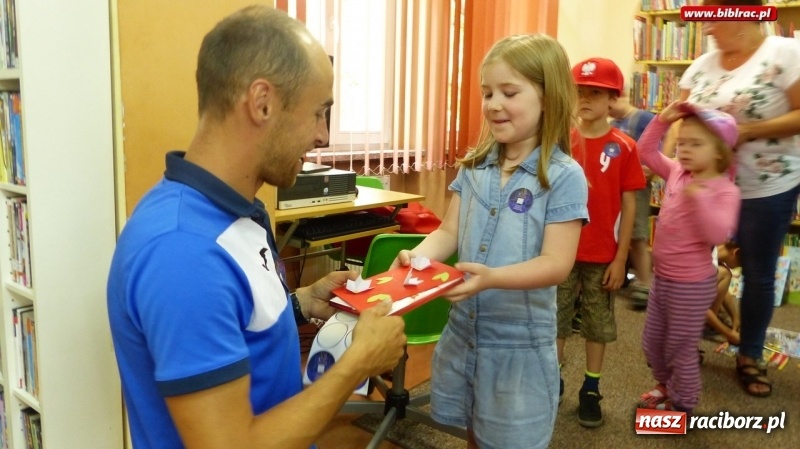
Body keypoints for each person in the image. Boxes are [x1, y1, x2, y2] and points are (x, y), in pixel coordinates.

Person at [106, 6, 407, 449]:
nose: (323, 136)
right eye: (319, 112)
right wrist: (356, 365)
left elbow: (234, 318)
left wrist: (300, 304)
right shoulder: (182, 253)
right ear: (262, 102)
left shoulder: (237, 209)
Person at [391, 34, 588, 449]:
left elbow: (556, 263)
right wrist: (415, 259)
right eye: (487, 93)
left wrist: (492, 277)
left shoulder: (565, 177)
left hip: (519, 344)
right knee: (474, 433)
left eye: (509, 92)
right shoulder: (476, 166)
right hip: (463, 335)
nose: (494, 103)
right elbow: (448, 232)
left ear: (548, 98)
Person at [677, 0, 800, 397]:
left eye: (712, 19)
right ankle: (683, 344)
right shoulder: (701, 65)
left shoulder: (786, 54)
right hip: (703, 190)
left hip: (768, 185)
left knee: (759, 272)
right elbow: (677, 119)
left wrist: (748, 131)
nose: (708, 29)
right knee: (689, 265)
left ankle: (749, 354)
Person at [556, 57, 646, 428]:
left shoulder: (624, 146)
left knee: (597, 323)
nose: (585, 100)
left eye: (595, 93)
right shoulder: (560, 142)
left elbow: (628, 205)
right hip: (558, 251)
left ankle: (591, 388)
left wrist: (621, 258)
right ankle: (552, 379)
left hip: (602, 254)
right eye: (579, 92)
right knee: (555, 320)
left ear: (613, 100)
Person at [636, 101, 741, 414]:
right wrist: (662, 121)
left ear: (720, 152)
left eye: (696, 144)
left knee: (681, 349)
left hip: (691, 286)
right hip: (663, 279)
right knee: (652, 343)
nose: (684, 150)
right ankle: (665, 384)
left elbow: (718, 235)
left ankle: (683, 404)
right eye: (682, 142)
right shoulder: (678, 171)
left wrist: (701, 201)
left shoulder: (724, 190)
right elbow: (645, 152)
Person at [610, 94, 657, 305]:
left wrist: (651, 168)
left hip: (637, 186)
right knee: (618, 232)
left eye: (611, 102)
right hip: (616, 187)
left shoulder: (644, 118)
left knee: (637, 234)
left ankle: (646, 283)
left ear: (621, 97)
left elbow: (657, 147)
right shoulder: (613, 123)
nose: (608, 108)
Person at [707, 241, 742, 345]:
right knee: (725, 273)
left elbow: (723, 290)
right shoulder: (708, 263)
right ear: (736, 252)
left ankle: (713, 320)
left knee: (724, 273)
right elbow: (700, 308)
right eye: (740, 264)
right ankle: (709, 323)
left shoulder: (713, 249)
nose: (738, 268)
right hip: (677, 306)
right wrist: (729, 334)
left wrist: (735, 318)